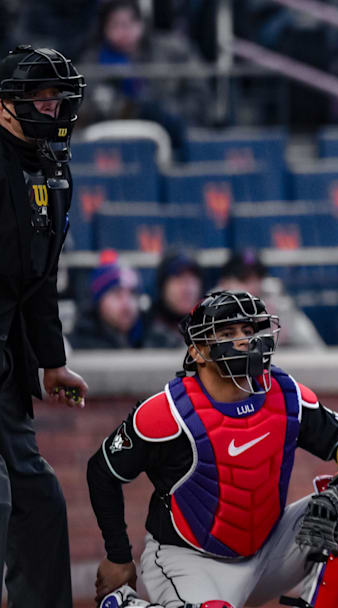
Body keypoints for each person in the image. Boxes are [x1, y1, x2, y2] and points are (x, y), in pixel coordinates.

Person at [88, 290, 338, 607]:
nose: (243, 340)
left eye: (248, 331)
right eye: (227, 333)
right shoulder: (167, 412)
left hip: (269, 549)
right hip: (189, 561)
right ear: (197, 350)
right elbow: (102, 472)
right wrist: (119, 557)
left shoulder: (286, 395)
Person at [0, 43, 89, 607]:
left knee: (39, 498)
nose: (50, 108)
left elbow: (41, 276)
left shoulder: (51, 168)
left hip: (7, 362)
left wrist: (50, 362)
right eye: (38, 96)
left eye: (58, 98)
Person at [79, 0, 211, 150]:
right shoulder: (92, 62)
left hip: (172, 138)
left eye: (129, 24)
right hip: (112, 145)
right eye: (115, 25)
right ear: (104, 28)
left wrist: (166, 114)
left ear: (141, 23)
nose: (124, 32)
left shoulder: (174, 51)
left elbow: (200, 95)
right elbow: (81, 111)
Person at [216, 249, 326, 348]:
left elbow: (315, 348)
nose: (253, 286)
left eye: (258, 278)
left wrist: (284, 333)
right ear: (225, 283)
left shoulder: (276, 302)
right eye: (244, 280)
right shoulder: (211, 311)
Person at [69, 255, 145, 349]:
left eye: (133, 293)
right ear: (99, 300)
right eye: (117, 294)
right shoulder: (78, 347)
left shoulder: (148, 339)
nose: (126, 302)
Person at [144, 249, 202, 348]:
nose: (187, 289)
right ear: (163, 287)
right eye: (178, 280)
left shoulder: (214, 326)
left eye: (191, 280)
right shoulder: (145, 330)